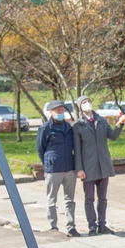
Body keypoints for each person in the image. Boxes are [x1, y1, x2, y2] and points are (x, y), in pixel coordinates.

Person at [72, 95, 125, 235]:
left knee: (103, 198)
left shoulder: (101, 121)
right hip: (88, 168)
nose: (87, 104)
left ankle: (102, 225)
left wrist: (120, 124)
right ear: (80, 107)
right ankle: (92, 225)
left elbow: (113, 136)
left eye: (88, 101)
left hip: (103, 165)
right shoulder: (77, 125)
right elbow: (76, 149)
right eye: (84, 102)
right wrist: (79, 168)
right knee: (89, 198)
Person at [37, 100, 79, 237]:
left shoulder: (69, 127)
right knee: (51, 199)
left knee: (70, 200)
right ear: (51, 112)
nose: (60, 112)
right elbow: (40, 149)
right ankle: (53, 226)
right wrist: (48, 163)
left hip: (69, 168)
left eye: (62, 110)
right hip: (53, 169)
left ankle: (71, 226)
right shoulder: (45, 128)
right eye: (57, 110)